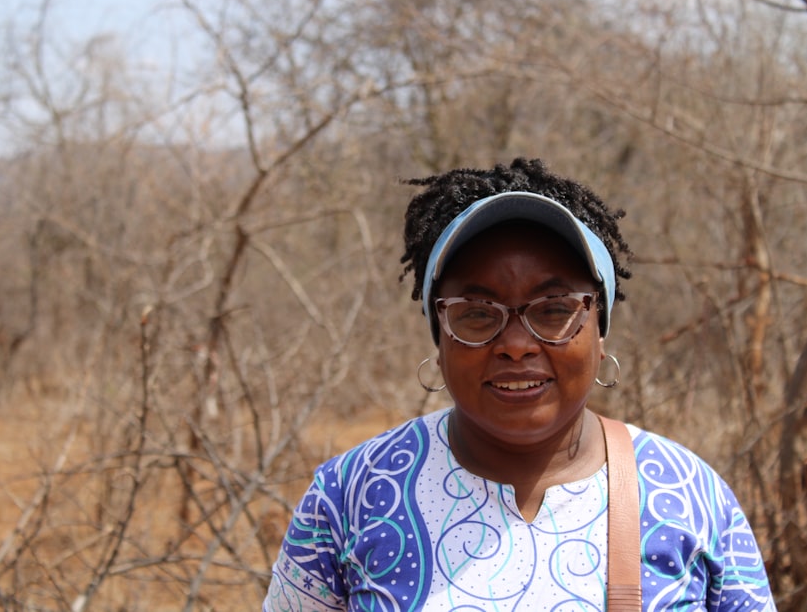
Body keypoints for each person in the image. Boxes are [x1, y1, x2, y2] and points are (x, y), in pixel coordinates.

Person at [262, 157, 776, 611]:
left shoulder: (689, 494)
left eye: (554, 310)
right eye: (477, 314)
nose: (515, 344)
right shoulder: (351, 495)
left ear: (600, 331)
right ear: (439, 339)